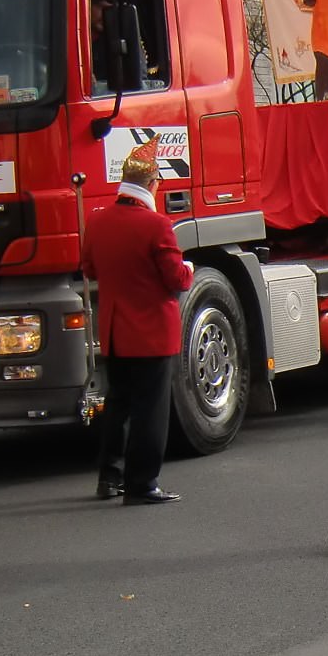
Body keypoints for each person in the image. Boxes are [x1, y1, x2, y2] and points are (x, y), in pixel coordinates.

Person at [83, 136, 194, 504]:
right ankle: (142, 483)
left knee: (118, 405)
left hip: (116, 331)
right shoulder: (156, 225)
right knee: (151, 410)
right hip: (151, 332)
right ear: (152, 183)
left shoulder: (97, 221)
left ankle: (109, 477)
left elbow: (89, 268)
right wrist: (189, 268)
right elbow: (176, 279)